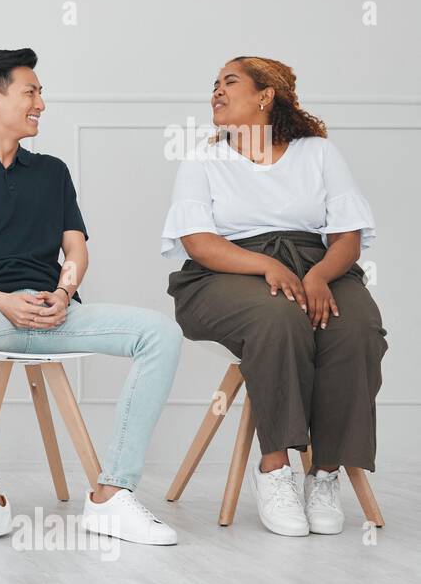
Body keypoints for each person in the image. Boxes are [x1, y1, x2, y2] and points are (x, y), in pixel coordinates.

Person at [0, 48, 182, 548]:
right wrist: (3, 302)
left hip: (55, 313)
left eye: (40, 92)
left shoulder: (52, 171)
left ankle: (113, 495)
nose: (41, 102)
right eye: (32, 91)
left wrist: (65, 292)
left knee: (161, 332)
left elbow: (77, 250)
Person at [162, 55, 386, 537]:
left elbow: (346, 236)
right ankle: (274, 469)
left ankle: (324, 473)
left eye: (230, 82)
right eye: (214, 84)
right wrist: (267, 264)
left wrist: (321, 275)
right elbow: (198, 242)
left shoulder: (318, 153)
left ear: (266, 95)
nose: (216, 91)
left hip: (317, 267)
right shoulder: (203, 158)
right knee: (276, 318)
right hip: (224, 270)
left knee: (357, 327)